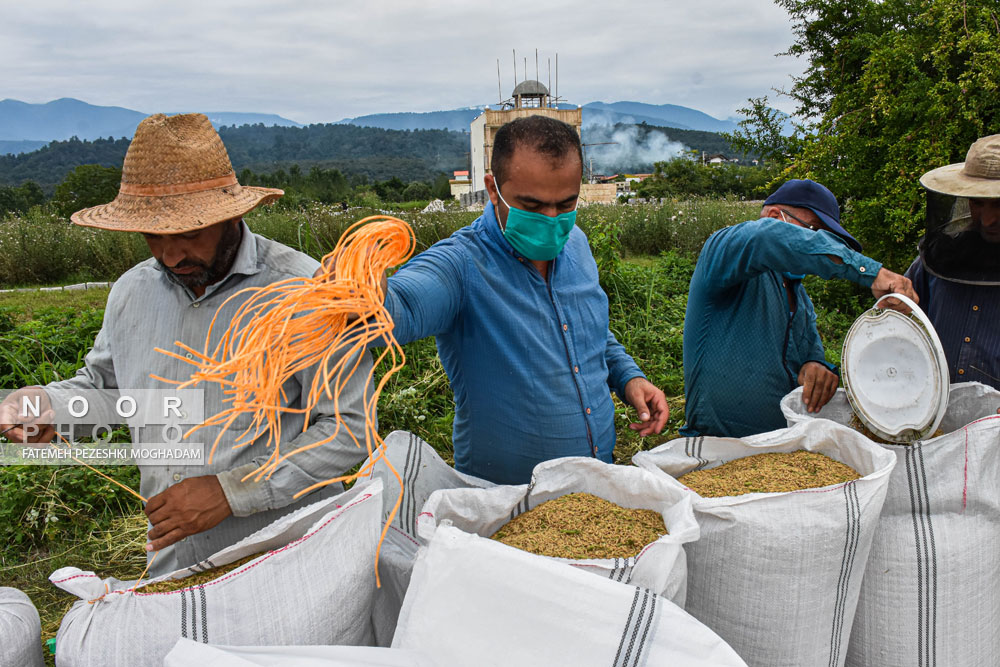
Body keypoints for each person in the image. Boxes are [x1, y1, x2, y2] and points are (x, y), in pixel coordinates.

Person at [0, 113, 371, 575]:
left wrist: (233, 492)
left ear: (231, 216)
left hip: (291, 555)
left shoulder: (304, 290)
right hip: (176, 562)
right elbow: (105, 389)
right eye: (154, 237)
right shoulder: (131, 293)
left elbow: (350, 428)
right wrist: (48, 403)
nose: (171, 256)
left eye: (189, 235)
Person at [368, 115, 667, 485]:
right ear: (493, 189)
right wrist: (360, 287)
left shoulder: (576, 244)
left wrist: (628, 378)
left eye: (566, 204)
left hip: (595, 482)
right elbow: (396, 311)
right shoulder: (461, 264)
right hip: (506, 499)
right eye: (533, 206)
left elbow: (587, 332)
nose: (552, 219)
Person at [681, 178, 918, 438]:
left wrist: (817, 366)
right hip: (718, 450)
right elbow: (765, 237)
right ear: (774, 216)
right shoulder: (724, 253)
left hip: (783, 453)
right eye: (814, 232)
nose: (823, 247)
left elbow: (809, 353)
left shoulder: (799, 295)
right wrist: (869, 271)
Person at [905, 134, 1000, 391]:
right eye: (978, 203)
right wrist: (892, 303)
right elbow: (898, 323)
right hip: (933, 415)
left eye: (999, 205)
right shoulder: (939, 258)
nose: (989, 220)